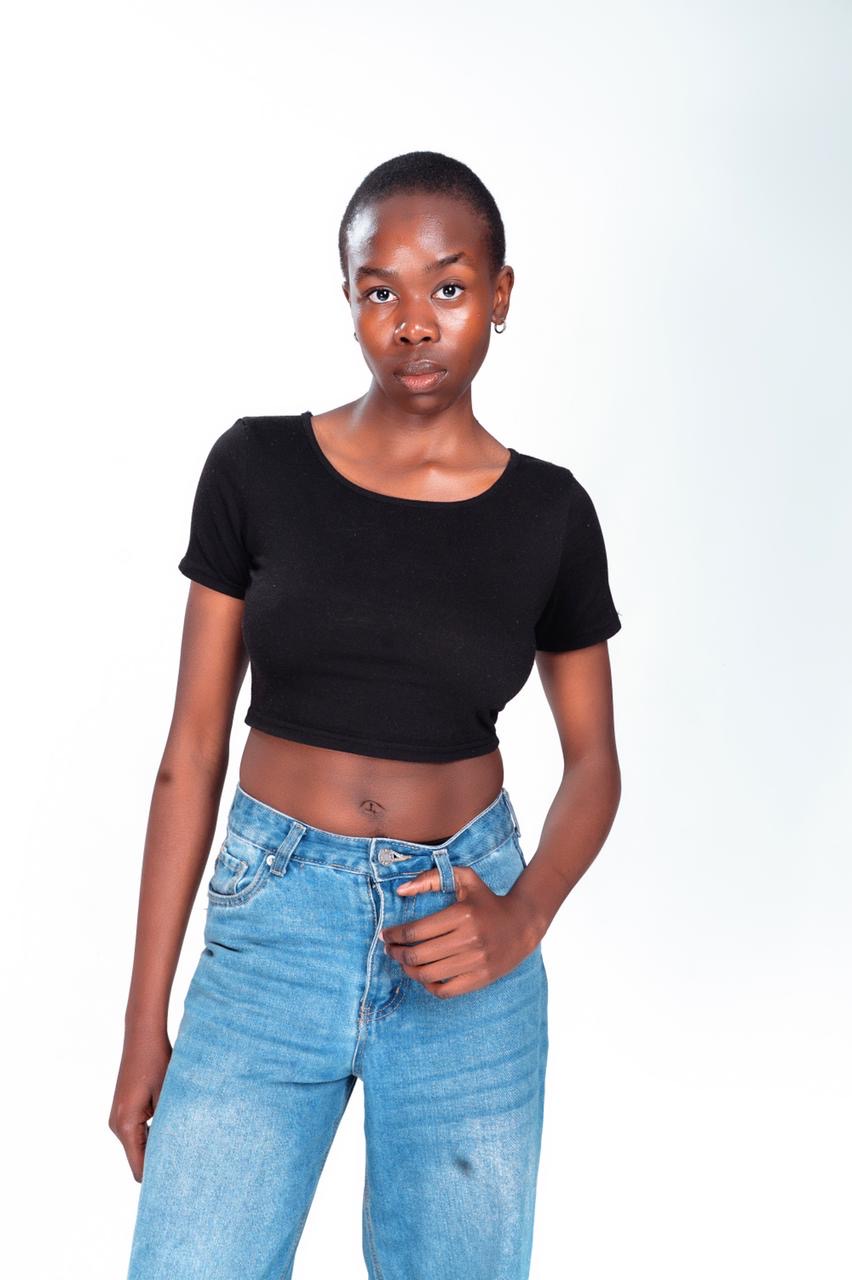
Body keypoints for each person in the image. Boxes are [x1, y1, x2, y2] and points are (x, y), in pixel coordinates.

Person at [111, 150, 622, 1280]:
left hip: (463, 930)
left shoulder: (550, 513)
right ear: (346, 297)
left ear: (500, 293)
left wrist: (523, 917)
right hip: (270, 931)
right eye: (379, 289)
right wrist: (144, 1023)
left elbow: (595, 763)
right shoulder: (255, 466)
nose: (414, 322)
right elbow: (191, 753)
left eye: (449, 286)